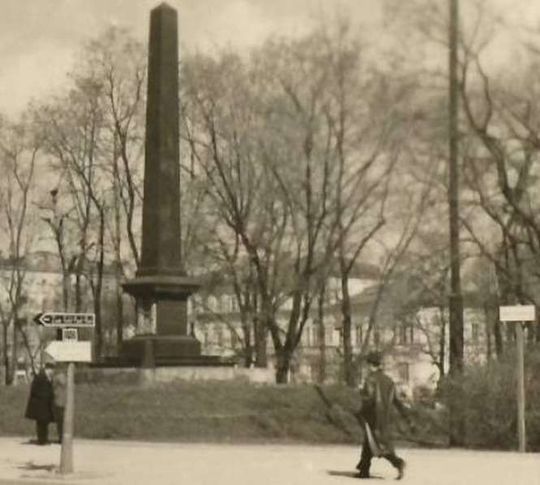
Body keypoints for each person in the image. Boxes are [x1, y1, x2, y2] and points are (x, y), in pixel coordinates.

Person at [355, 351, 413, 480]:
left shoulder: (370, 379)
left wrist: (360, 409)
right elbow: (396, 400)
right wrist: (406, 415)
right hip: (385, 417)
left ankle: (398, 462)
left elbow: (369, 399)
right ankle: (364, 469)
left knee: (378, 444)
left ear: (370, 364)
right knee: (370, 441)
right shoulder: (389, 380)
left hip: (373, 415)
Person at [25, 362, 55, 445]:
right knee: (41, 423)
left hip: (45, 404)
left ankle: (44, 439)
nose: (52, 372)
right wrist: (44, 396)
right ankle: (42, 440)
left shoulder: (47, 377)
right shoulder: (40, 377)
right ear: (48, 369)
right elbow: (34, 389)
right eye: (52, 370)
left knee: (44, 423)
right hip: (40, 404)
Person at [52, 364, 67, 443]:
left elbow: (53, 388)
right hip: (65, 402)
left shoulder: (56, 378)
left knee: (60, 422)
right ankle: (64, 437)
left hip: (58, 402)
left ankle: (61, 437)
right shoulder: (66, 378)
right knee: (64, 421)